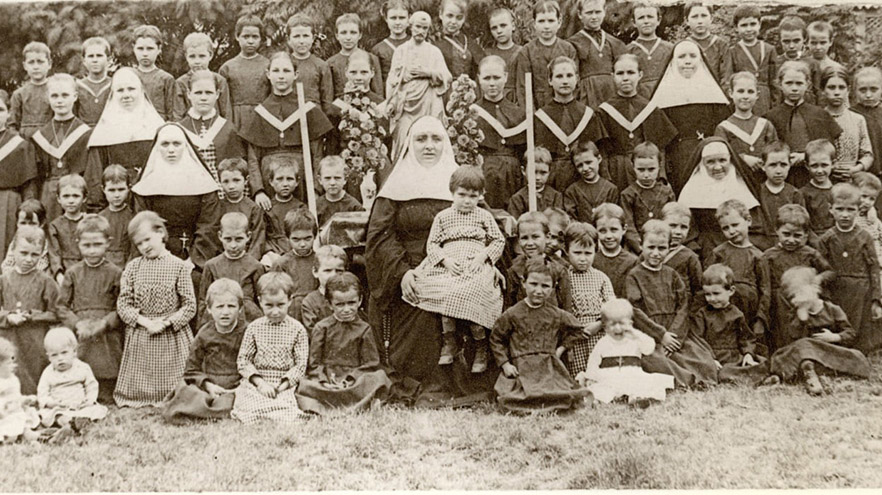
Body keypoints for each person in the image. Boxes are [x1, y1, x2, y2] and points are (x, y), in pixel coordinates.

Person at [365, 115, 492, 406]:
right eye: (421, 139)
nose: (429, 146)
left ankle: (458, 381)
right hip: (408, 268)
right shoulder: (394, 188)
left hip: (456, 268)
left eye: (436, 139)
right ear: (409, 144)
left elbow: (485, 227)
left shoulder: (460, 186)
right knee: (418, 304)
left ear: (445, 144)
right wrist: (402, 273)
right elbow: (381, 236)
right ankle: (419, 381)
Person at [412, 166, 505, 374]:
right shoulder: (443, 217)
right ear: (452, 193)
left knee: (473, 292)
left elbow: (498, 240)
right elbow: (432, 244)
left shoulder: (483, 216)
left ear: (480, 196)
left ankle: (481, 346)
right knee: (447, 292)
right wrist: (444, 260)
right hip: (451, 264)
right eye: (461, 195)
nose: (467, 201)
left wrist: (483, 256)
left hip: (475, 263)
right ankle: (449, 341)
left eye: (473, 196)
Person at [114, 211, 197, 407]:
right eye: (139, 244)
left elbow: (189, 305)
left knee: (178, 383)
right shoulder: (133, 268)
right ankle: (141, 395)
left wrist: (167, 322)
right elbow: (123, 304)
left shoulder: (178, 266)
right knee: (142, 379)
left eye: (148, 239)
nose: (145, 246)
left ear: (161, 233)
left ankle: (173, 394)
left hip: (172, 334)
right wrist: (146, 322)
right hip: (143, 332)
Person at [624, 220, 718, 387]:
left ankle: (701, 377)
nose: (655, 253)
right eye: (651, 247)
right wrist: (661, 335)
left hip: (676, 333)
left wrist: (674, 336)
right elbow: (635, 310)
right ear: (642, 245)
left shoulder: (672, 274)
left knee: (700, 358)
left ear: (669, 248)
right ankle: (688, 380)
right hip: (650, 332)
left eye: (661, 248)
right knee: (655, 361)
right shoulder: (634, 275)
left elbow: (683, 306)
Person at [491, 257, 588, 414]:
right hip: (522, 367)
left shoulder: (556, 313)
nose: (539, 290)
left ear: (552, 288)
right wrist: (505, 364)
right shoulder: (512, 314)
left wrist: (560, 350)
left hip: (548, 366)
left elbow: (578, 330)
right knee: (512, 397)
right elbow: (497, 339)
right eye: (534, 284)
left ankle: (548, 404)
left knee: (563, 394)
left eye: (545, 286)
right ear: (524, 283)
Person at [238, 51, 332, 207]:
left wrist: (316, 189)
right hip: (270, 181)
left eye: (286, 71)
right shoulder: (260, 112)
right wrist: (258, 191)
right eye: (276, 71)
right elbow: (253, 159)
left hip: (302, 180)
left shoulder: (307, 110)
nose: (281, 76)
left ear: (295, 74)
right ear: (268, 74)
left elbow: (317, 155)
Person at [763, 267, 871, 396]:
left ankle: (806, 372)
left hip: (828, 352)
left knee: (857, 356)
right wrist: (802, 318)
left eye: (800, 292)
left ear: (815, 289)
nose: (797, 299)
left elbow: (850, 333)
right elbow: (792, 340)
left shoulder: (832, 309)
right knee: (799, 347)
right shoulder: (795, 313)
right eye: (794, 295)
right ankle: (810, 375)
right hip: (804, 352)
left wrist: (835, 337)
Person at [296, 272, 391, 415]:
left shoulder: (364, 328)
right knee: (305, 385)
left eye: (351, 303)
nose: (346, 309)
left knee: (378, 377)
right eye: (340, 304)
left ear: (359, 301)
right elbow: (314, 364)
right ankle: (357, 404)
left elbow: (371, 363)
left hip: (355, 379)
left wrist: (351, 379)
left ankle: (351, 403)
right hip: (328, 379)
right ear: (329, 304)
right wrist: (324, 380)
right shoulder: (322, 328)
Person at [132, 123, 223, 272]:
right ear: (157, 147)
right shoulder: (145, 187)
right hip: (156, 257)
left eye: (177, 143)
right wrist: (161, 257)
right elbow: (143, 226)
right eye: (165, 144)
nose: (171, 150)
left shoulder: (204, 185)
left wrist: (193, 260)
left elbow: (209, 226)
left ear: (186, 146)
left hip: (195, 259)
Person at [56, 214, 122, 404]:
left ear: (108, 243)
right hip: (81, 327)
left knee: (108, 356)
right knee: (81, 358)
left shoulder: (116, 272)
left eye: (97, 244)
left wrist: (106, 322)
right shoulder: (73, 273)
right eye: (87, 245)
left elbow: (123, 305)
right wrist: (77, 324)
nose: (92, 251)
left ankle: (107, 390)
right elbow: (61, 306)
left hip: (106, 328)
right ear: (78, 243)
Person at [650, 39, 730, 194]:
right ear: (673, 61)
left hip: (709, 158)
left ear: (700, 59)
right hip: (677, 161)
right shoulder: (663, 95)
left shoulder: (714, 95)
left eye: (692, 56)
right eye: (681, 57)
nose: (687, 61)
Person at [162, 278, 246, 423]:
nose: (225, 312)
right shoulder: (204, 333)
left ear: (240, 308)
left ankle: (210, 410)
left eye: (231, 306)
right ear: (209, 309)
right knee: (186, 392)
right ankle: (203, 408)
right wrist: (208, 385)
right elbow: (191, 368)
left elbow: (256, 365)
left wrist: (240, 386)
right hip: (209, 384)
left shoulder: (248, 331)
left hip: (237, 385)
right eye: (219, 307)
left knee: (233, 401)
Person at [84, 68, 165, 212]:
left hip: (152, 204)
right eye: (120, 90)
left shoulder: (158, 128)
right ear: (113, 94)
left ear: (141, 91)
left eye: (131, 89)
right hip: (115, 207)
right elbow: (95, 179)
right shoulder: (103, 132)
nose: (126, 95)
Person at [231, 272, 308, 423]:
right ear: (259, 301)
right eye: (269, 305)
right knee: (247, 401)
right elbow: (243, 360)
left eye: (280, 305)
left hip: (284, 382)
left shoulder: (298, 329)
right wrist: (260, 383)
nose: (275, 311)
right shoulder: (254, 328)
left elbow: (300, 365)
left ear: (290, 301)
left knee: (284, 406)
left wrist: (283, 386)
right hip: (258, 381)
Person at [678, 137, 768, 261]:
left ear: (730, 160)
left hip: (741, 250)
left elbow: (756, 229)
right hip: (706, 251)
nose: (717, 167)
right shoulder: (691, 191)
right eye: (710, 162)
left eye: (722, 160)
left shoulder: (742, 186)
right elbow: (687, 232)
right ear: (702, 163)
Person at [597, 54, 676, 192]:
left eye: (631, 72)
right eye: (620, 73)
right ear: (613, 76)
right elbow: (601, 150)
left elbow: (661, 148)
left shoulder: (650, 109)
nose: (626, 78)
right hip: (617, 171)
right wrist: (605, 178)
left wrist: (661, 175)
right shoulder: (604, 111)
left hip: (646, 170)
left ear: (640, 75)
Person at [818, 182, 882, 354]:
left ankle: (859, 356)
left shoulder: (864, 236)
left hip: (861, 290)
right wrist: (825, 295)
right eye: (840, 209)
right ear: (831, 209)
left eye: (850, 210)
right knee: (839, 323)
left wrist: (876, 299)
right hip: (836, 289)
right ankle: (838, 355)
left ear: (858, 209)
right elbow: (821, 269)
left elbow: (874, 267)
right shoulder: (827, 238)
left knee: (859, 326)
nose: (845, 215)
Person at [759, 204, 831, 353]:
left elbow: (829, 272)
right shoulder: (768, 256)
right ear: (776, 231)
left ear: (806, 235)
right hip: (779, 304)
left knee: (803, 332)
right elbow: (765, 285)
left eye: (797, 235)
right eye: (786, 234)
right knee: (781, 334)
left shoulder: (810, 253)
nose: (791, 240)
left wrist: (817, 280)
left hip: (803, 301)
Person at [578, 298, 673, 406]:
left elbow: (649, 348)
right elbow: (593, 361)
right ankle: (599, 400)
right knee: (602, 389)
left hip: (632, 375)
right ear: (605, 327)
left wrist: (636, 334)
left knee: (642, 385)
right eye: (612, 324)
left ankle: (637, 398)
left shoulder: (635, 339)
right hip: (609, 377)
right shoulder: (603, 342)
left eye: (622, 323)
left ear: (630, 323)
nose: (617, 328)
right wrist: (591, 377)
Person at [385, 11, 451, 162]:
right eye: (418, 27)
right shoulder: (401, 51)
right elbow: (393, 80)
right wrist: (392, 102)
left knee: (430, 142)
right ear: (411, 27)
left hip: (428, 103)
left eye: (425, 28)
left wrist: (427, 73)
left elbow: (446, 77)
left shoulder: (434, 51)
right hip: (405, 104)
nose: (421, 31)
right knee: (402, 143)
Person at [708, 200, 771, 357]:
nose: (731, 231)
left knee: (751, 340)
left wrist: (761, 319)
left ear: (748, 221)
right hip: (725, 307)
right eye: (726, 228)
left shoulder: (758, 256)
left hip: (750, 309)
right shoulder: (719, 253)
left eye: (735, 225)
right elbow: (709, 282)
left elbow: (765, 289)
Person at [0, 226, 58, 395]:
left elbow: (57, 312)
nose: (28, 259)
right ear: (13, 250)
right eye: (23, 253)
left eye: (34, 255)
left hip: (34, 340)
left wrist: (34, 316)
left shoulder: (46, 281)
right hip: (9, 338)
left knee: (34, 376)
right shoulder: (4, 280)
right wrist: (8, 316)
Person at [535, 56, 607, 192]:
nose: (565, 81)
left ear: (577, 79)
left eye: (569, 75)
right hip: (552, 180)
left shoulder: (588, 114)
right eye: (559, 76)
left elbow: (599, 152)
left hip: (581, 177)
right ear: (550, 80)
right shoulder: (541, 116)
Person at [765, 61, 841, 188]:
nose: (794, 88)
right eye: (789, 83)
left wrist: (804, 156)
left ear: (808, 85)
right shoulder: (771, 116)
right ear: (779, 84)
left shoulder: (820, 114)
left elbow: (830, 147)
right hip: (783, 176)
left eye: (799, 83)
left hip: (815, 175)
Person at [178, 71, 248, 199]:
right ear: (189, 94)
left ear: (217, 94)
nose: (203, 97)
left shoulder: (228, 128)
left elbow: (237, 168)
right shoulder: (179, 129)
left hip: (220, 192)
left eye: (208, 92)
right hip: (190, 190)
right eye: (198, 93)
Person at [691, 264, 764, 384]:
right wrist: (710, 359)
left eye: (716, 293)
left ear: (731, 291)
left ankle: (747, 375)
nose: (712, 299)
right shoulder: (702, 314)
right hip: (711, 355)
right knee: (714, 370)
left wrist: (748, 354)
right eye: (707, 294)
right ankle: (738, 377)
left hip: (732, 357)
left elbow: (746, 338)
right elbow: (698, 339)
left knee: (759, 363)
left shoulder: (736, 314)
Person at [33, 74, 92, 222]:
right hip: (49, 196)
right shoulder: (41, 135)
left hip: (77, 194)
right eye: (55, 96)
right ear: (48, 98)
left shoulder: (86, 133)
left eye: (65, 95)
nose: (59, 101)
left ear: (75, 96)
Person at [559, 222, 614, 378]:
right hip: (574, 335)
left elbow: (612, 308)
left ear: (595, 251)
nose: (583, 259)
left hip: (598, 332)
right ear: (567, 251)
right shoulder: (563, 277)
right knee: (577, 371)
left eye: (588, 253)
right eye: (577, 253)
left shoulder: (601, 278)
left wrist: (599, 324)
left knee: (599, 366)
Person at [473, 56, 526, 209]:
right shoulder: (471, 113)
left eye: (496, 77)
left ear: (506, 77)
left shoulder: (518, 113)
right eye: (486, 78)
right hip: (484, 173)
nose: (492, 83)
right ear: (479, 79)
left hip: (512, 175)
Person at [198, 212, 265, 327]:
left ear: (248, 236)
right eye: (228, 239)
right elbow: (204, 301)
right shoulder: (211, 266)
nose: (233, 245)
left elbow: (262, 300)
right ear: (220, 236)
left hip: (249, 322)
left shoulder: (255, 266)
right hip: (219, 321)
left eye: (238, 239)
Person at [36, 327, 107, 429]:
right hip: (60, 407)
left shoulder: (82, 367)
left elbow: (92, 385)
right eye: (54, 355)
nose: (60, 358)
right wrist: (51, 403)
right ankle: (68, 423)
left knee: (95, 410)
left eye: (64, 353)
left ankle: (80, 420)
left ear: (74, 352)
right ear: (49, 357)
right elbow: (42, 393)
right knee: (53, 415)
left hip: (80, 405)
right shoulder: (48, 372)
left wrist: (89, 400)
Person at [514, 0, 577, 109]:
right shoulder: (527, 51)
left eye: (551, 21)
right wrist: (531, 116)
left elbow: (575, 83)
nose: (546, 26)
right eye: (542, 21)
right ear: (534, 23)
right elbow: (523, 88)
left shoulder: (568, 49)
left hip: (564, 106)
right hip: (538, 108)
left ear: (559, 21)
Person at [714, 72, 778, 173]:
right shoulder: (723, 128)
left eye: (750, 92)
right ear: (731, 93)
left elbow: (775, 152)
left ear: (757, 95)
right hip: (737, 179)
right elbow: (720, 156)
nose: (745, 96)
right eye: (740, 91)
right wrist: (742, 158)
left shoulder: (765, 125)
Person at [0, 91, 38, 262]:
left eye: (0, 110)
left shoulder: (19, 145)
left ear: (8, 113)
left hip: (7, 202)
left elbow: (29, 186)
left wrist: (28, 215)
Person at [720, 5, 778, 116]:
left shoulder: (769, 49)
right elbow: (728, 80)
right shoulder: (732, 51)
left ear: (759, 25)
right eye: (744, 25)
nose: (749, 29)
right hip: (742, 99)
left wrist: (775, 105)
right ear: (736, 27)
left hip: (765, 100)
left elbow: (775, 82)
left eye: (753, 24)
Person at [505, 211, 570, 309]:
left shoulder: (559, 269)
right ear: (519, 240)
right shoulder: (514, 270)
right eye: (525, 238)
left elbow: (566, 306)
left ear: (547, 237)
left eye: (535, 237)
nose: (530, 243)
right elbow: (509, 306)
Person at [567, 0, 625, 108]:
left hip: (611, 93)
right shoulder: (573, 43)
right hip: (588, 95)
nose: (594, 17)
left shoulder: (615, 43)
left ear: (604, 12)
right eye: (589, 13)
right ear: (580, 14)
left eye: (598, 12)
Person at [619, 142, 675, 254]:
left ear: (659, 165)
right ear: (632, 166)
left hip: (662, 246)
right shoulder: (628, 194)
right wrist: (640, 248)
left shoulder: (666, 192)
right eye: (641, 169)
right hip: (637, 247)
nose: (646, 175)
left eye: (651, 169)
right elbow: (628, 226)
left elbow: (672, 220)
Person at [749, 141, 805, 251]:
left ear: (789, 165)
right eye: (773, 165)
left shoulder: (795, 193)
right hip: (762, 245)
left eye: (783, 165)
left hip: (789, 243)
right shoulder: (757, 192)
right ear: (763, 166)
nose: (778, 171)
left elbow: (802, 223)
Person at [821, 67, 873, 182]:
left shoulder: (858, 119)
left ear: (848, 90)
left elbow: (867, 154)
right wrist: (830, 168)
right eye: (831, 87)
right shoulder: (817, 118)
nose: (837, 92)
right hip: (824, 180)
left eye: (841, 87)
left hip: (852, 180)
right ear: (823, 90)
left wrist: (856, 169)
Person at [219, 15, 271, 129]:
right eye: (246, 36)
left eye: (255, 37)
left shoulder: (268, 65)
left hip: (262, 118)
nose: (250, 41)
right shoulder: (227, 67)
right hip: (236, 120)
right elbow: (223, 102)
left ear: (261, 38)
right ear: (237, 36)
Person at [271, 208, 319, 322]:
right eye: (296, 239)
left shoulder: (320, 260)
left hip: (315, 310)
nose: (302, 244)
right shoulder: (281, 263)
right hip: (291, 313)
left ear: (315, 236)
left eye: (307, 238)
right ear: (288, 238)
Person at [173, 33, 233, 121]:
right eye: (192, 56)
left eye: (202, 56)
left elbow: (226, 113)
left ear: (210, 55)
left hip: (216, 129)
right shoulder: (181, 83)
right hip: (189, 129)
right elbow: (178, 115)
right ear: (186, 56)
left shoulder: (219, 81)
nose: (197, 61)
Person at [286, 14, 335, 117]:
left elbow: (327, 101)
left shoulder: (321, 65)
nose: (301, 41)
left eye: (306, 36)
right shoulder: (283, 63)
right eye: (296, 36)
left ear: (313, 38)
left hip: (314, 118)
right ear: (288, 39)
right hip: (288, 117)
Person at [216, 158, 265, 259]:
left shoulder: (253, 208)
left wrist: (249, 262)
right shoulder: (218, 207)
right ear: (220, 182)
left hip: (247, 257)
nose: (231, 186)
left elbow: (258, 239)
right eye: (226, 181)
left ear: (246, 180)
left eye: (236, 180)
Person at [327, 13, 384, 100]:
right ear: (337, 35)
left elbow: (378, 92)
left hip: (369, 107)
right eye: (343, 33)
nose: (348, 37)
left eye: (353, 32)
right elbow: (329, 98)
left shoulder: (372, 58)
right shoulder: (331, 63)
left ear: (360, 35)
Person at [261, 155, 305, 258]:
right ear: (271, 181)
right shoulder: (267, 207)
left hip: (295, 248)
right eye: (280, 179)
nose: (285, 184)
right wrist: (270, 252)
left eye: (289, 179)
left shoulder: (300, 207)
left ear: (297, 182)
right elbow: (263, 235)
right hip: (273, 249)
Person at [564, 140, 617, 223]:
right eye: (580, 165)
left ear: (599, 159)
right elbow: (571, 220)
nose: (585, 168)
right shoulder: (572, 191)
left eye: (589, 162)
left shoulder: (610, 189)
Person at [626, 4, 673, 99]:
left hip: (666, 96)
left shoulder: (670, 48)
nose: (646, 21)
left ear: (658, 20)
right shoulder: (627, 50)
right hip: (639, 98)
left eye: (650, 17)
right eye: (641, 18)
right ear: (634, 22)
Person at [661, 202, 702, 306]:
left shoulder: (690, 257)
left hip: (681, 309)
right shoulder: (650, 252)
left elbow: (698, 289)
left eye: (683, 227)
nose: (678, 232)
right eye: (672, 226)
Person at [48, 174, 87, 284]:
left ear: (84, 198)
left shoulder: (89, 222)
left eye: (75, 196)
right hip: (64, 272)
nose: (71, 201)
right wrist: (59, 275)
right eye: (66, 196)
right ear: (58, 199)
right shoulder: (54, 226)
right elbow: (54, 254)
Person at [593, 203, 639, 294]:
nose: (609, 236)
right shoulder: (592, 261)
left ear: (624, 229)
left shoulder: (632, 262)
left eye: (614, 230)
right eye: (602, 231)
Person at [132, 25, 176, 121]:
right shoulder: (129, 77)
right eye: (140, 48)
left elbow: (171, 113)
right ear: (133, 48)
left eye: (150, 48)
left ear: (159, 49)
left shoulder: (166, 79)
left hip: (158, 129)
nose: (145, 53)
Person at [0, 337, 39, 443]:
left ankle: (26, 433)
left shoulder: (13, 379)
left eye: (13, 362)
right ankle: (8, 438)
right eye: (9, 363)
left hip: (14, 410)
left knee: (26, 414)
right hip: (3, 414)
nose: (14, 366)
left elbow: (16, 397)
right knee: (11, 424)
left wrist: (25, 400)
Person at [10, 42, 52, 139]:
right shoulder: (19, 94)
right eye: (31, 62)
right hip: (26, 142)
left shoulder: (56, 91)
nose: (36, 66)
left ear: (49, 64)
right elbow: (12, 125)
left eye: (40, 61)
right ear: (25, 66)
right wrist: (20, 143)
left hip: (51, 140)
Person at [300, 244, 346, 334]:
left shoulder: (349, 296)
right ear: (315, 272)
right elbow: (313, 334)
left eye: (339, 271)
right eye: (327, 271)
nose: (333, 275)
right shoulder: (310, 302)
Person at [435, 0, 484, 83]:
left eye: (459, 17)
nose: (453, 22)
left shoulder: (468, 41)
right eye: (449, 16)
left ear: (464, 18)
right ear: (441, 14)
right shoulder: (434, 41)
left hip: (468, 90)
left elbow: (482, 66)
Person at [506, 147, 562, 219]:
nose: (538, 177)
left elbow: (559, 221)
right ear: (523, 171)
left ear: (549, 172)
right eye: (533, 172)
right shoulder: (518, 199)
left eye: (543, 173)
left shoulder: (556, 197)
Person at [97, 165, 134, 268]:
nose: (117, 195)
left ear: (129, 188)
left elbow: (134, 250)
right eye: (112, 190)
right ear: (103, 189)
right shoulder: (100, 218)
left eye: (121, 189)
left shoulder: (133, 217)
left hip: (127, 266)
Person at [1, 201, 48, 276]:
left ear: (42, 224)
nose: (27, 227)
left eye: (32, 223)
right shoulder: (16, 241)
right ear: (17, 223)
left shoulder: (43, 242)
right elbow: (7, 264)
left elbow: (42, 266)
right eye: (23, 223)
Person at [800, 138, 835, 238]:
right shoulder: (803, 193)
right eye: (814, 166)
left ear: (833, 164)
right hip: (814, 241)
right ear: (807, 166)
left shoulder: (839, 191)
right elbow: (804, 225)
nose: (819, 171)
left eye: (824, 165)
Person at [315, 155, 363, 228]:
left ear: (345, 179)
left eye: (337, 178)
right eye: (327, 178)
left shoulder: (354, 206)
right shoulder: (316, 206)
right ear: (320, 180)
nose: (332, 183)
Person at [485, 8, 522, 103]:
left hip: (515, 102)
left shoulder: (522, 52)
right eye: (494, 28)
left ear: (513, 26)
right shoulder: (488, 54)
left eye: (503, 25)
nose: (499, 31)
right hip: (491, 100)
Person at [852, 67, 882, 178]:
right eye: (863, 90)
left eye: (874, 89)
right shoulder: (851, 114)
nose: (868, 95)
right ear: (855, 91)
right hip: (859, 174)